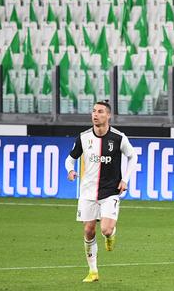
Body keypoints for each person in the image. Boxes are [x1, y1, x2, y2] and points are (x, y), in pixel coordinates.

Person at [65, 100, 138, 283]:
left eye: (100, 112)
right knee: (89, 230)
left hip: (110, 191)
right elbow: (70, 159)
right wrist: (70, 170)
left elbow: (133, 156)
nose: (95, 115)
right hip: (88, 192)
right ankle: (93, 271)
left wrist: (125, 179)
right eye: (93, 111)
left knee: (105, 229)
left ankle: (110, 235)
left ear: (108, 116)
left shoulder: (118, 138)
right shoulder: (83, 137)